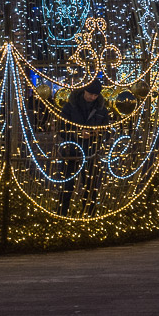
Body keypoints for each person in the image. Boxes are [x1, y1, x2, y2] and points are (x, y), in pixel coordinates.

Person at [59, 79, 112, 215]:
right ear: (84, 91)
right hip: (71, 151)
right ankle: (62, 212)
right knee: (67, 185)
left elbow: (107, 131)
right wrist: (77, 134)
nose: (92, 97)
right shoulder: (70, 106)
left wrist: (97, 134)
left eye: (95, 95)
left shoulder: (101, 109)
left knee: (90, 185)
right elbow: (61, 128)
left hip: (91, 152)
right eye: (90, 94)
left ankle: (89, 213)